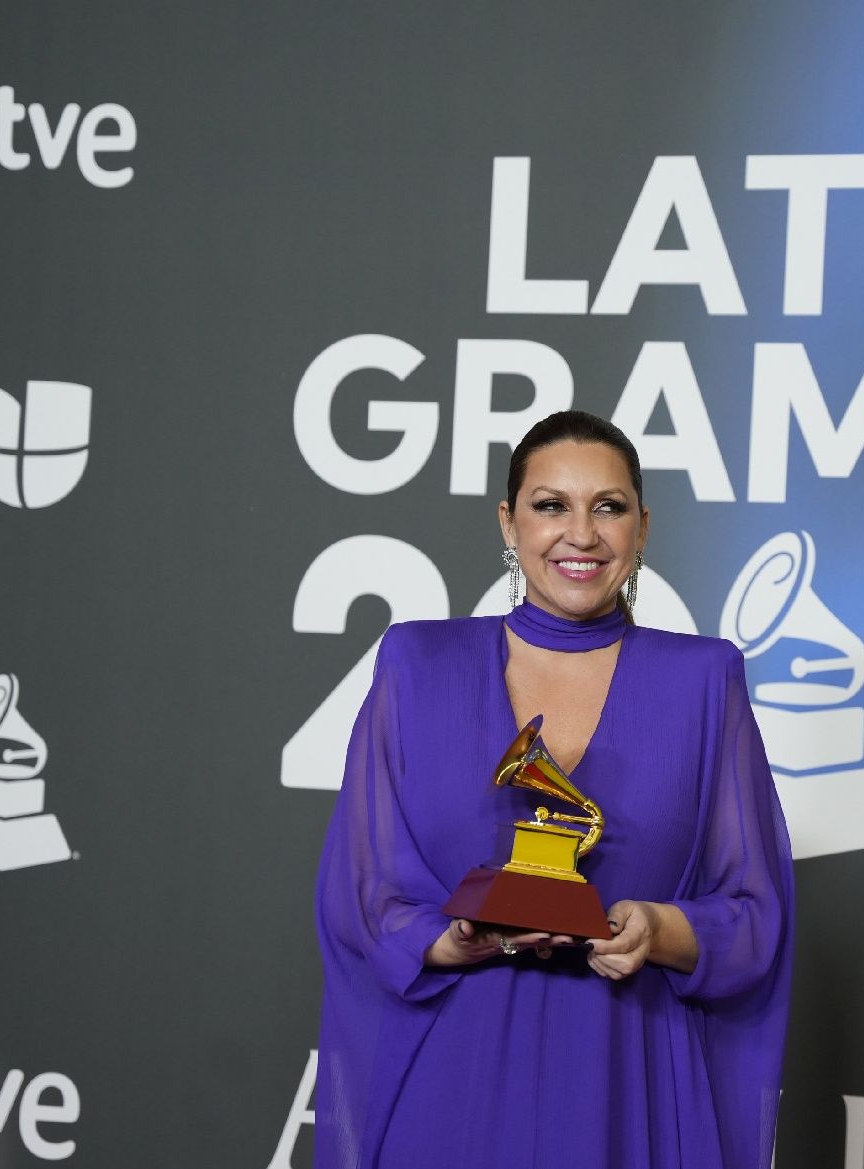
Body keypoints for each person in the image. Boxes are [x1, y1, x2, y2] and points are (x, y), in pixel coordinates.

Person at [314, 410, 793, 1169]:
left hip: (631, 1078)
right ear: (509, 522)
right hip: (453, 1077)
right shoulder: (416, 663)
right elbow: (362, 895)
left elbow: (756, 914)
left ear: (642, 527)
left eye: (608, 506)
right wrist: (455, 938)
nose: (582, 533)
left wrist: (655, 927)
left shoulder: (704, 678)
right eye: (550, 505)